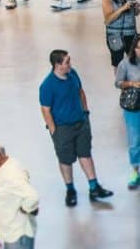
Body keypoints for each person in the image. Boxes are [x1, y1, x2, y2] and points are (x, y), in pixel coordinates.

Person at [39, 49, 115, 206]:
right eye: (67, 62)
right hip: (63, 128)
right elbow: (46, 110)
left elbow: (81, 92)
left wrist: (85, 113)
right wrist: (54, 131)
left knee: (85, 154)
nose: (70, 64)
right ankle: (70, 189)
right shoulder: (47, 86)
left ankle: (94, 187)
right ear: (58, 65)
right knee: (65, 160)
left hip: (81, 123)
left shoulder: (72, 74)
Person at [113, 36, 140, 190]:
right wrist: (132, 83)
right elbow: (118, 83)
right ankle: (136, 170)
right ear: (134, 49)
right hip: (133, 107)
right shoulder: (125, 64)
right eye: (138, 47)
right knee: (135, 140)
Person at [102, 0, 137, 66]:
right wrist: (123, 8)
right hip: (115, 35)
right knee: (118, 63)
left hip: (130, 33)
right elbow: (108, 19)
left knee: (135, 60)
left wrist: (137, 8)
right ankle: (120, 80)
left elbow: (135, 14)